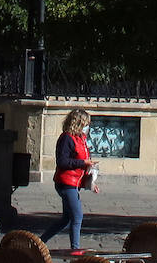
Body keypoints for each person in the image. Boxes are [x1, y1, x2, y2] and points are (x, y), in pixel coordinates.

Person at [41, 108, 98, 254]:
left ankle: (40, 242)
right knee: (77, 215)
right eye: (86, 124)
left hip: (74, 183)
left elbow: (83, 163)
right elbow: (63, 162)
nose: (88, 127)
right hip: (66, 183)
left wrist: (91, 181)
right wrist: (83, 163)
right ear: (79, 123)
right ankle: (75, 249)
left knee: (66, 218)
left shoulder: (81, 139)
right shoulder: (67, 138)